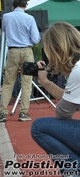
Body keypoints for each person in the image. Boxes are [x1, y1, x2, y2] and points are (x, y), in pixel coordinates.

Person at [31, 21, 80, 176]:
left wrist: (45, 82)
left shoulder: (78, 70)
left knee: (39, 127)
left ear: (58, 49)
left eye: (49, 53)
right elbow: (72, 101)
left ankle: (73, 170)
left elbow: (63, 114)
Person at [0, 0, 40, 123]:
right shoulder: (30, 18)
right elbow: (36, 38)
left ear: (13, 5)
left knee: (8, 83)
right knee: (27, 83)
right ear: (25, 6)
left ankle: (2, 113)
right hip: (27, 51)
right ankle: (23, 112)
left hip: (12, 51)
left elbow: (4, 30)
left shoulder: (6, 17)